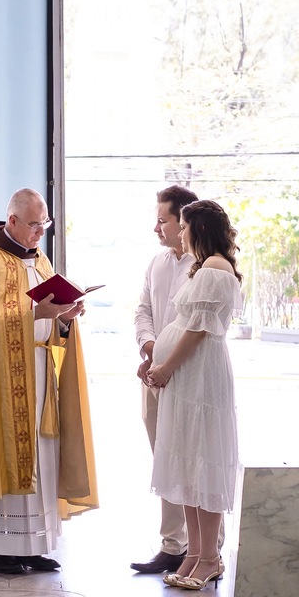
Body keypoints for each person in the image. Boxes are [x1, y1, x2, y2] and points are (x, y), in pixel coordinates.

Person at [0, 188, 100, 574]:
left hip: (40, 373)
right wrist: (34, 313)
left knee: (41, 456)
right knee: (6, 453)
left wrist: (63, 317)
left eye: (44, 224)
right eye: (33, 225)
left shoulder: (39, 259)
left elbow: (47, 317)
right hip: (0, 382)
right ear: (11, 221)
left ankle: (32, 546)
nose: (40, 233)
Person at [145, 199, 244, 591]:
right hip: (188, 378)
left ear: (198, 229)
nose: (181, 234)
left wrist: (167, 366)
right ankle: (194, 553)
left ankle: (209, 557)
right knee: (187, 462)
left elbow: (199, 328)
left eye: (184, 227)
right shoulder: (205, 267)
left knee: (204, 459)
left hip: (199, 376)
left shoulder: (216, 268)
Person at [131, 185, 201, 574]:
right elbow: (142, 310)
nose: (156, 228)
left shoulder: (205, 265)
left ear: (183, 220)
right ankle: (173, 545)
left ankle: (207, 548)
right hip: (153, 374)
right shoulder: (156, 263)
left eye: (163, 220)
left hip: (189, 376)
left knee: (196, 460)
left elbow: (199, 327)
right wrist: (149, 347)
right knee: (165, 462)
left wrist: (166, 361)